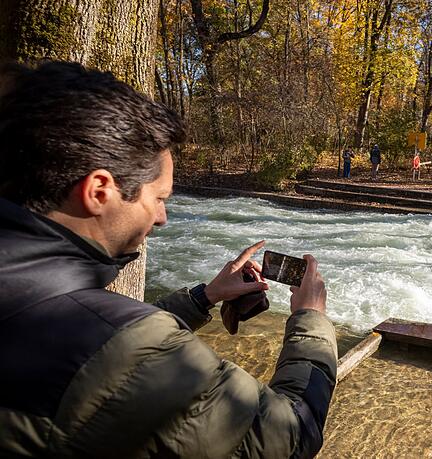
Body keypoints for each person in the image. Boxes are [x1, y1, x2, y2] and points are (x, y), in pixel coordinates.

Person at [0, 62, 336, 458]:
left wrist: (203, 297)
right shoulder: (124, 349)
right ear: (99, 190)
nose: (162, 217)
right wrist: (312, 320)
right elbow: (288, 437)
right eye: (158, 198)